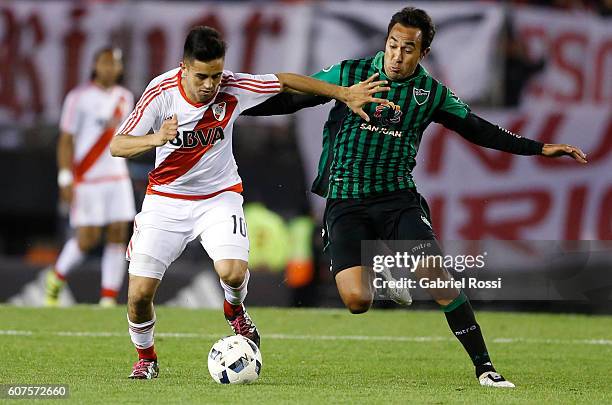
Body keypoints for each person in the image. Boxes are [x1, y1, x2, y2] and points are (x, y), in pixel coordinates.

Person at [242, 7, 588, 388]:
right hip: (345, 200)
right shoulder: (351, 74)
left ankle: (486, 369)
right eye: (392, 45)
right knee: (357, 301)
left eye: (408, 49)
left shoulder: (431, 95)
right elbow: (292, 99)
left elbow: (480, 130)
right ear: (385, 42)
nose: (397, 55)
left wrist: (539, 148)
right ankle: (382, 267)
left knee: (438, 280)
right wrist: (234, 107)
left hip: (397, 199)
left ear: (423, 54)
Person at [110, 26, 389, 379]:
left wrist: (343, 93)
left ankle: (235, 310)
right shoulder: (161, 92)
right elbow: (117, 145)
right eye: (201, 76)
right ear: (183, 67)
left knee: (233, 271)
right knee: (138, 295)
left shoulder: (231, 85)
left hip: (218, 197)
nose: (210, 85)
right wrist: (156, 138)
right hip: (166, 200)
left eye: (215, 74)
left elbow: (285, 81)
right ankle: (147, 358)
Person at [46, 47, 135, 308]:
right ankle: (55, 278)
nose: (110, 68)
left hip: (117, 175)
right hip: (87, 177)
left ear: (120, 68)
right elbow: (66, 140)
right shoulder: (78, 97)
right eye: (105, 63)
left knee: (119, 232)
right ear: (95, 65)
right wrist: (65, 177)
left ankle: (107, 298)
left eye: (114, 64)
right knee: (88, 237)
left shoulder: (125, 97)